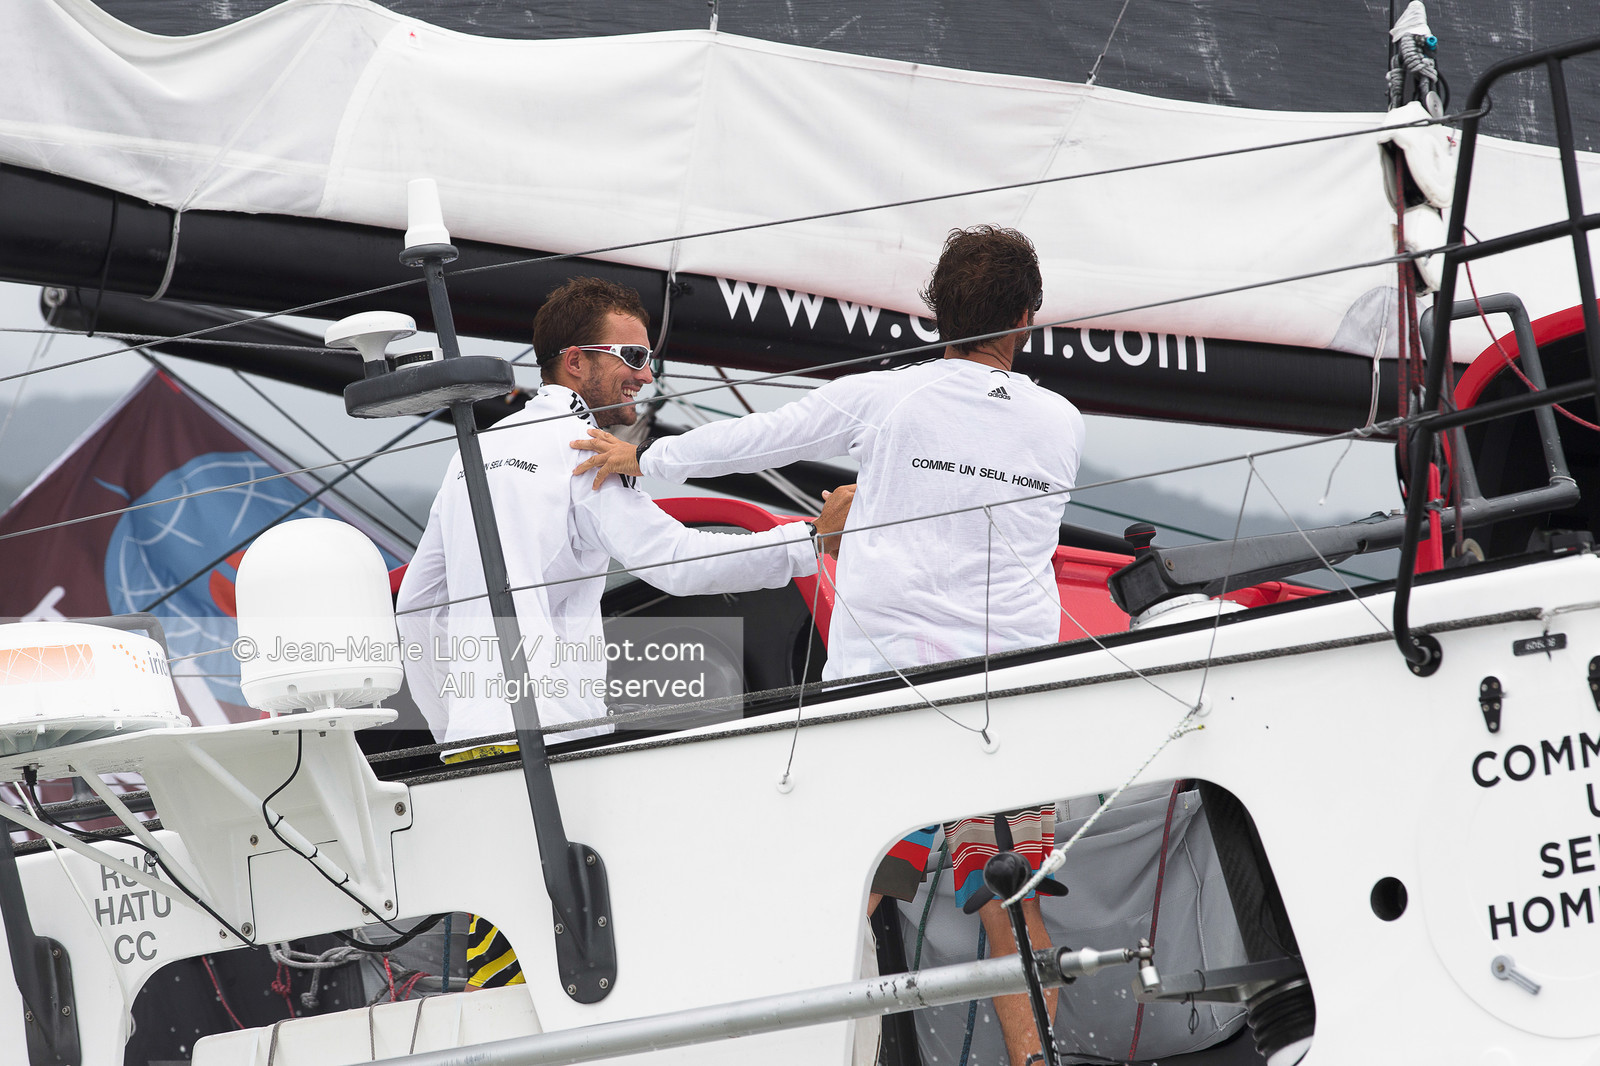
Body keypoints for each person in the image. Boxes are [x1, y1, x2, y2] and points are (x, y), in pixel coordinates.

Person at [571, 226, 1084, 1064]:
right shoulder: (1062, 423)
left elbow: (764, 437)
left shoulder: (890, 397)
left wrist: (644, 457)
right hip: (1006, 695)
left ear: (934, 316)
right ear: (1027, 318)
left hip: (881, 691)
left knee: (844, 889)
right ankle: (1037, 1061)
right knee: (1014, 903)